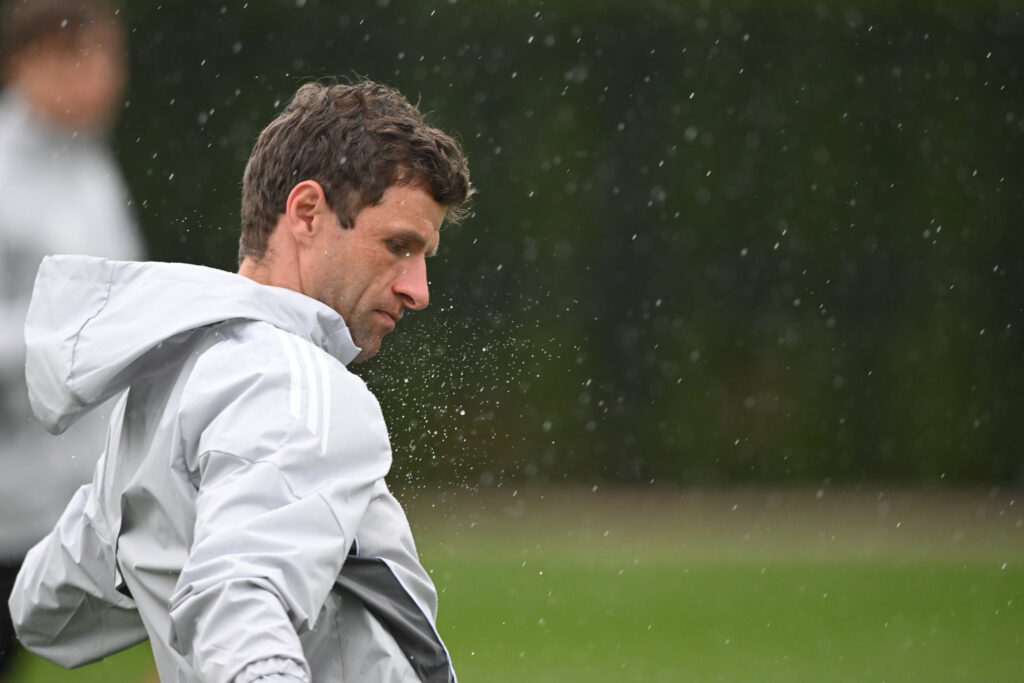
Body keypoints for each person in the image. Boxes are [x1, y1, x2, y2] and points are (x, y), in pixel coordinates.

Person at [9, 79, 473, 683]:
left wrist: (164, 568)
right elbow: (239, 594)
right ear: (307, 213)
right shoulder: (300, 385)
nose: (419, 290)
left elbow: (47, 609)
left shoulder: (171, 380)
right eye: (399, 246)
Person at [0, 0, 143, 675]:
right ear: (22, 63)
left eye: (108, 58)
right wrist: (74, 340)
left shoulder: (91, 167)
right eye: (75, 58)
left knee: (215, 624)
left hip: (86, 495)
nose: (99, 78)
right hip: (9, 503)